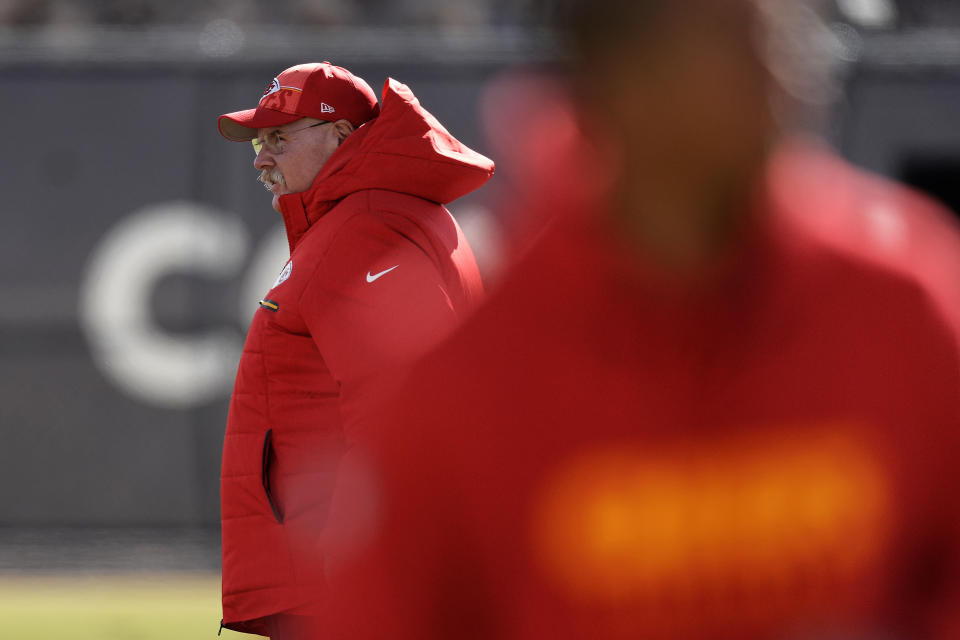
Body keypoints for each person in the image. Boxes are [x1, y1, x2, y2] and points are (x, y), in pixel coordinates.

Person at [320, 2, 960, 639]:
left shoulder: (903, 304)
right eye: (739, 42)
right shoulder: (467, 378)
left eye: (794, 38)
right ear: (618, 81)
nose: (789, 73)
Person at [215, 61, 493, 637]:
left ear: (341, 135)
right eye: (259, 143)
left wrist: (364, 563)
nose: (262, 158)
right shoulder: (385, 213)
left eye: (279, 139)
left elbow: (401, 411)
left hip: (340, 584)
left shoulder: (364, 227)